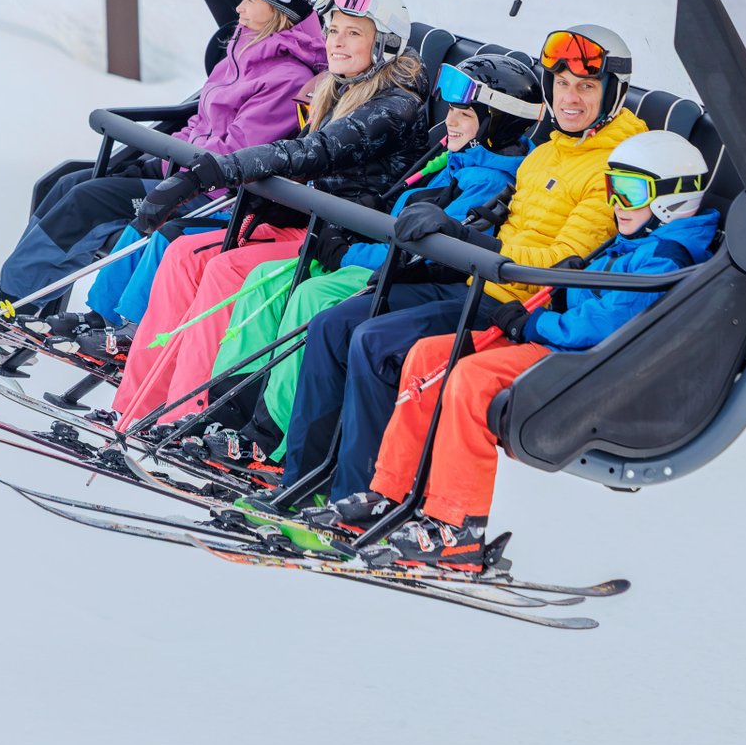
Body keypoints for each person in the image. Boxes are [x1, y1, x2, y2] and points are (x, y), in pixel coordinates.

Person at [277, 25, 648, 516]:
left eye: (586, 86)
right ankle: (300, 482)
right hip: (474, 281)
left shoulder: (617, 166)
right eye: (561, 84)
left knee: (374, 341)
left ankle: (359, 496)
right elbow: (500, 213)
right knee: (332, 323)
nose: (570, 98)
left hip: (512, 301)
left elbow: (562, 264)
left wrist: (469, 240)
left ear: (613, 94)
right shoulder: (547, 154)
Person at [361, 130, 722, 569]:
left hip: (582, 362)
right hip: (562, 341)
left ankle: (457, 527)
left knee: (471, 381)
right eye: (614, 190)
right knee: (429, 356)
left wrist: (530, 321)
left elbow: (604, 323)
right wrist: (568, 282)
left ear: (672, 196)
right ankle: (390, 492)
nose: (617, 205)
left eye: (630, 192)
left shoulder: (667, 253)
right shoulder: (637, 237)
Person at [181, 53, 545, 462]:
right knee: (268, 279)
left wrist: (348, 252)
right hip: (381, 261)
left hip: (405, 278)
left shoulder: (487, 181)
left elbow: (428, 253)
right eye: (452, 111)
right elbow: (399, 215)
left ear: (498, 124)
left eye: (465, 115)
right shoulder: (456, 160)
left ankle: (269, 435)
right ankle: (229, 409)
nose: (451, 122)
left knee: (312, 298)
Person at [107, 0, 429, 427]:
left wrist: (216, 169)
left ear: (384, 45)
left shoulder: (394, 107)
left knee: (227, 268)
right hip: (305, 220)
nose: (337, 42)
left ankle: (187, 416)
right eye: (333, 29)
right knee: (182, 253)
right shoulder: (337, 87)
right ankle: (135, 406)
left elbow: (313, 153)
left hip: (339, 237)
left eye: (354, 33)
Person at [0, 0, 324, 319]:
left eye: (250, 1)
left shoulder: (287, 78)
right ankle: (28, 301)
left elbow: (236, 153)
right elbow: (201, 122)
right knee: (68, 182)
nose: (239, 9)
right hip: (180, 172)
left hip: (211, 194)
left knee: (89, 200)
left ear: (278, 9)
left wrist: (172, 164)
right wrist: (158, 159)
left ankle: (12, 303)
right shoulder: (242, 50)